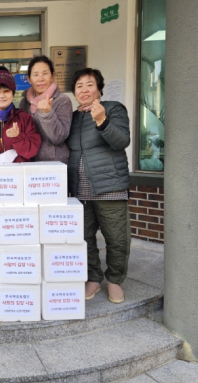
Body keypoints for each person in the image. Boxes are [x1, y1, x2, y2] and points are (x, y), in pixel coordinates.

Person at [66, 68, 131, 304]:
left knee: (116, 238)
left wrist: (102, 121)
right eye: (79, 86)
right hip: (80, 191)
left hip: (109, 187)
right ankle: (93, 277)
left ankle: (114, 280)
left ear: (99, 89)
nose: (84, 90)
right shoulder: (72, 118)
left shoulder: (113, 109)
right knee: (84, 238)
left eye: (89, 84)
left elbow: (122, 141)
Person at [19, 55, 73, 163]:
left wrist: (47, 114)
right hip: (29, 161)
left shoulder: (62, 101)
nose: (40, 79)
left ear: (52, 76)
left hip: (54, 163)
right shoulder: (24, 103)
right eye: (35, 75)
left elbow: (59, 137)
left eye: (45, 73)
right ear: (29, 79)